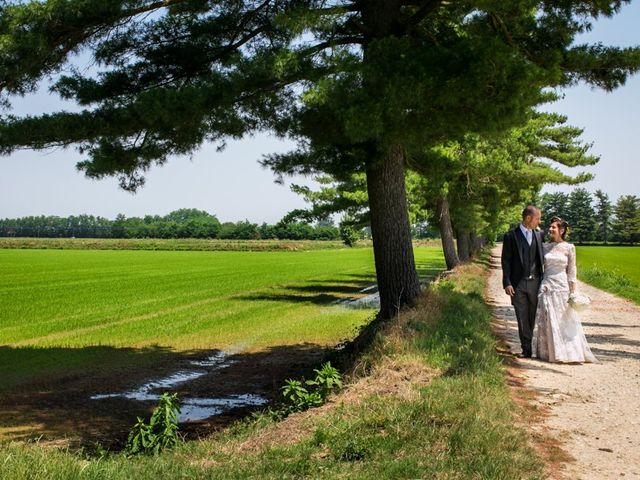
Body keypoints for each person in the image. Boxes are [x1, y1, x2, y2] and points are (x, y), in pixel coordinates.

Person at [534, 217, 597, 363]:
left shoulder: (569, 247)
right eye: (549, 227)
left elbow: (571, 271)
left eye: (553, 227)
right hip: (547, 286)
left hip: (562, 286)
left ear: (561, 230)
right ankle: (551, 352)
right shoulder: (545, 247)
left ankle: (569, 352)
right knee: (548, 318)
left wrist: (573, 292)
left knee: (564, 319)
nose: (550, 229)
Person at [501, 205, 544, 358]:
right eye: (537, 218)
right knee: (521, 316)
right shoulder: (510, 236)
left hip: (535, 283)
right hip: (517, 284)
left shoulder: (539, 235)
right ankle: (527, 350)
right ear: (528, 218)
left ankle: (527, 344)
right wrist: (507, 282)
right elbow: (505, 261)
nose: (539, 222)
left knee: (531, 316)